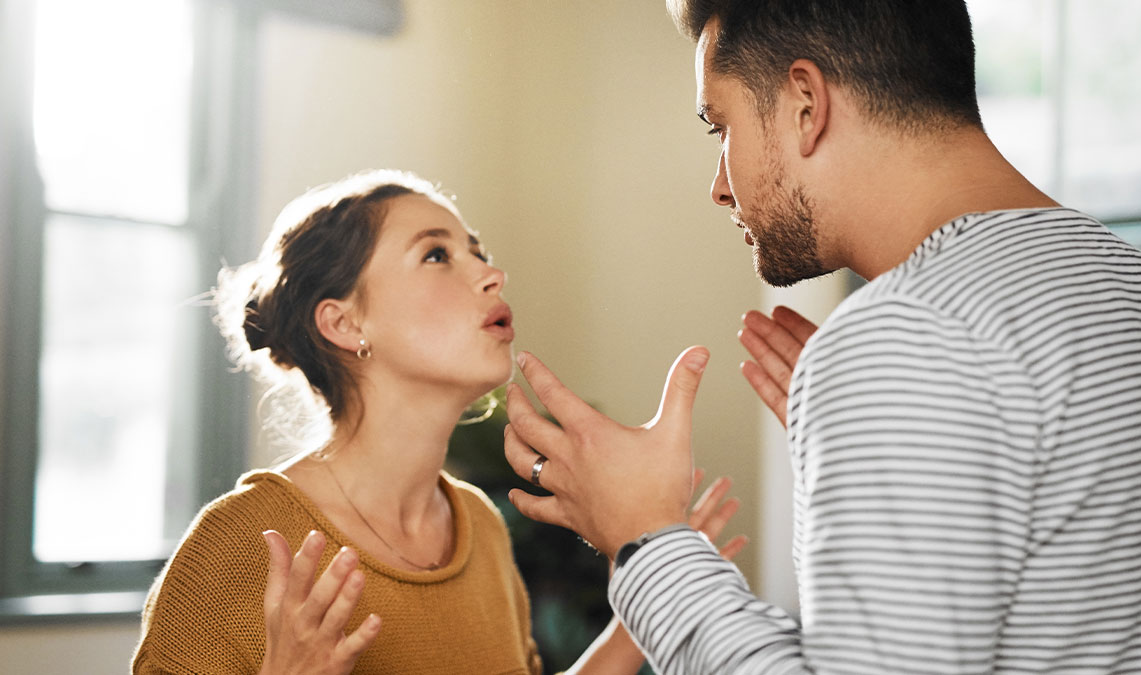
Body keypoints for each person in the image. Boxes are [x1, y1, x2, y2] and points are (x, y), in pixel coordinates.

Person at [501, 1, 1141, 673]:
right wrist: (885, 436)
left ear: (806, 103)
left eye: (720, 126)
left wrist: (645, 536)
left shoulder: (905, 340)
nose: (719, 185)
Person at [131, 169, 747, 674]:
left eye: (478, 251)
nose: (491, 273)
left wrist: (634, 617)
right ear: (345, 324)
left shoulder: (480, 525)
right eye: (436, 254)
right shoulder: (242, 546)